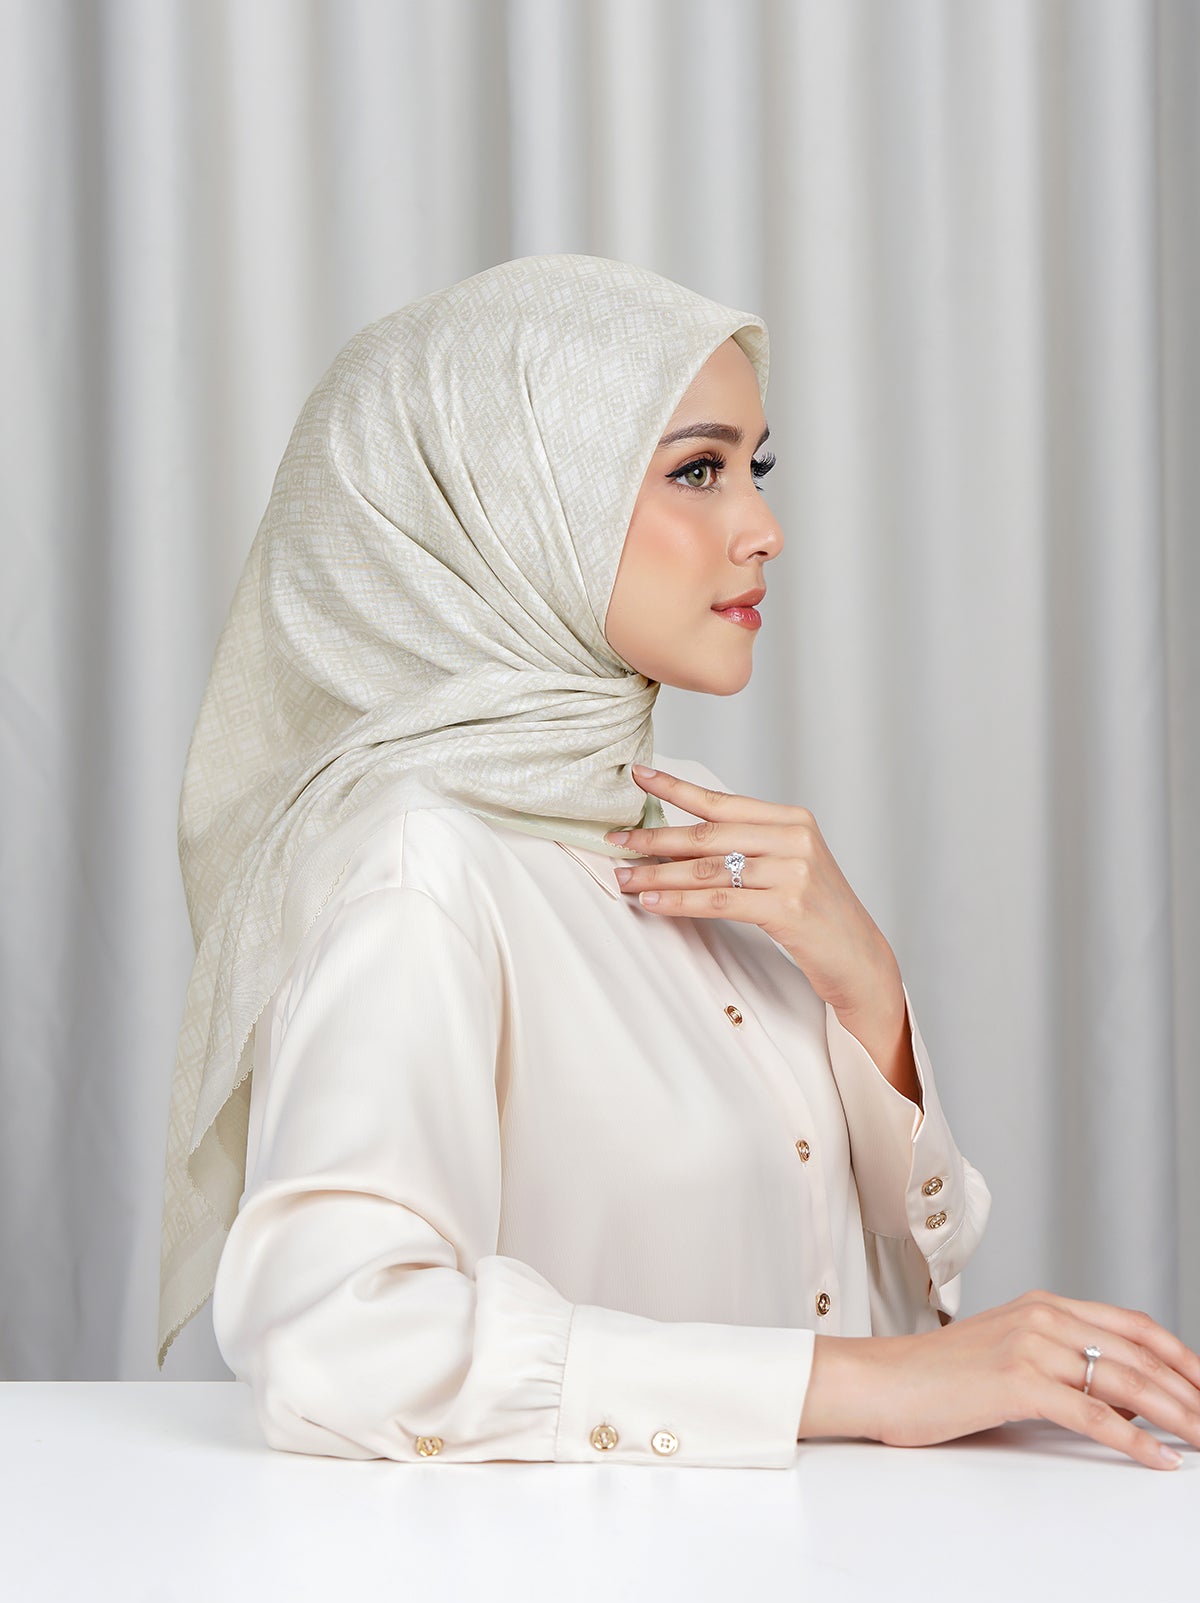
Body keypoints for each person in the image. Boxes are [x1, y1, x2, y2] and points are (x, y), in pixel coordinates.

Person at [160, 253, 1200, 1473]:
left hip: (828, 1574)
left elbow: (885, 1261)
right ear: (517, 499)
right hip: (581, 1592)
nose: (764, 529)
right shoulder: (419, 867)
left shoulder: (685, 822)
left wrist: (867, 986)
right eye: (698, 471)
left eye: (756, 469)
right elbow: (341, 1342)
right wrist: (862, 1383)